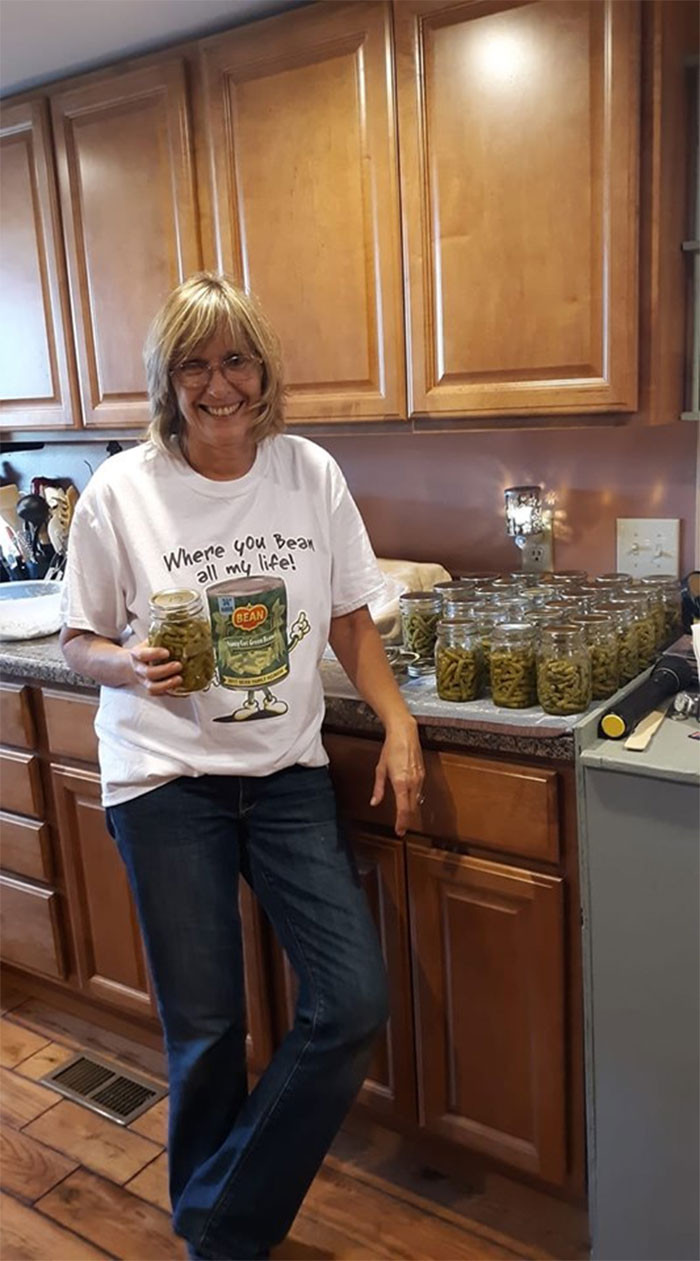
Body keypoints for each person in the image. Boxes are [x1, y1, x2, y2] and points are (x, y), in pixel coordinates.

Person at [60, 272, 425, 1261]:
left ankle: (217, 1215)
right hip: (163, 777)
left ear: (263, 371)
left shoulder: (306, 472)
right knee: (208, 1026)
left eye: (235, 359)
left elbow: (351, 612)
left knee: (350, 998)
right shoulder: (120, 492)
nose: (218, 384)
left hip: (283, 774)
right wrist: (125, 664)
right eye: (195, 364)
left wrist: (396, 719)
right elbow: (77, 641)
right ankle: (222, 1243)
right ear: (166, 380)